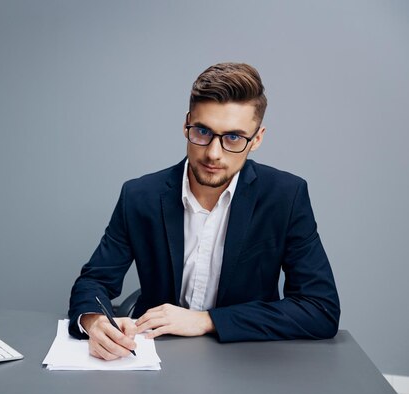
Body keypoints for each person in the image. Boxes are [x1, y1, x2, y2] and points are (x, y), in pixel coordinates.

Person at [68, 62, 341, 361]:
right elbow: (94, 280)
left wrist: (206, 320)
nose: (213, 153)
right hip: (156, 355)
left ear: (257, 139)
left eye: (234, 138)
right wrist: (93, 321)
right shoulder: (139, 195)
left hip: (245, 358)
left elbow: (320, 308)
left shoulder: (285, 197)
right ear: (186, 124)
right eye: (202, 131)